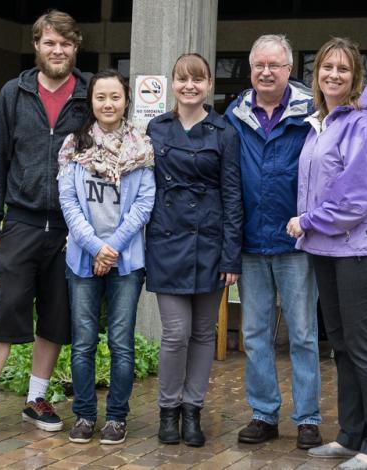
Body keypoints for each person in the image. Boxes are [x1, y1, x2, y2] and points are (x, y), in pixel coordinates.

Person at [0, 10, 91, 442]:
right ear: (36, 45)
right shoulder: (14, 92)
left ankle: (36, 399)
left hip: (72, 227)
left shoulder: (89, 93)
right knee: (6, 307)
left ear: (75, 47)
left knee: (56, 313)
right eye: (50, 43)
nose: (58, 51)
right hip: (22, 221)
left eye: (65, 44)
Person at [286, 37, 367, 469]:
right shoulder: (323, 122)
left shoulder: (363, 123)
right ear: (316, 75)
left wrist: (308, 220)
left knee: (365, 347)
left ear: (355, 78)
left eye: (343, 69)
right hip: (326, 250)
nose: (333, 74)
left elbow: (358, 196)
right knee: (343, 347)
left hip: (358, 252)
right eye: (326, 67)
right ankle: (351, 436)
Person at [224, 34, 322, 449]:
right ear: (251, 70)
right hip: (250, 242)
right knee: (255, 334)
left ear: (289, 70)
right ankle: (263, 414)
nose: (266, 72)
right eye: (259, 65)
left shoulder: (312, 113)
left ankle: (308, 419)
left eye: (275, 66)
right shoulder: (234, 115)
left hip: (295, 243)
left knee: (302, 334)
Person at [145, 53, 242, 448]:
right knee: (175, 334)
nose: (190, 86)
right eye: (183, 79)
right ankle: (168, 410)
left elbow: (233, 196)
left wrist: (231, 254)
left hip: (210, 243)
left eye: (198, 79)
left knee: (204, 332)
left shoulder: (224, 131)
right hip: (166, 241)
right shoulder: (156, 128)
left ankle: (192, 410)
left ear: (208, 86)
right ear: (172, 83)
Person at [58, 70, 156, 445]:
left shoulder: (141, 147)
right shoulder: (74, 146)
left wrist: (111, 247)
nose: (108, 104)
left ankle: (117, 416)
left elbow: (145, 203)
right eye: (101, 97)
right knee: (82, 341)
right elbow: (68, 202)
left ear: (126, 100)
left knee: (121, 342)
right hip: (82, 259)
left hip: (126, 261)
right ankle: (84, 414)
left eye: (115, 97)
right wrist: (96, 248)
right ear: (91, 101)